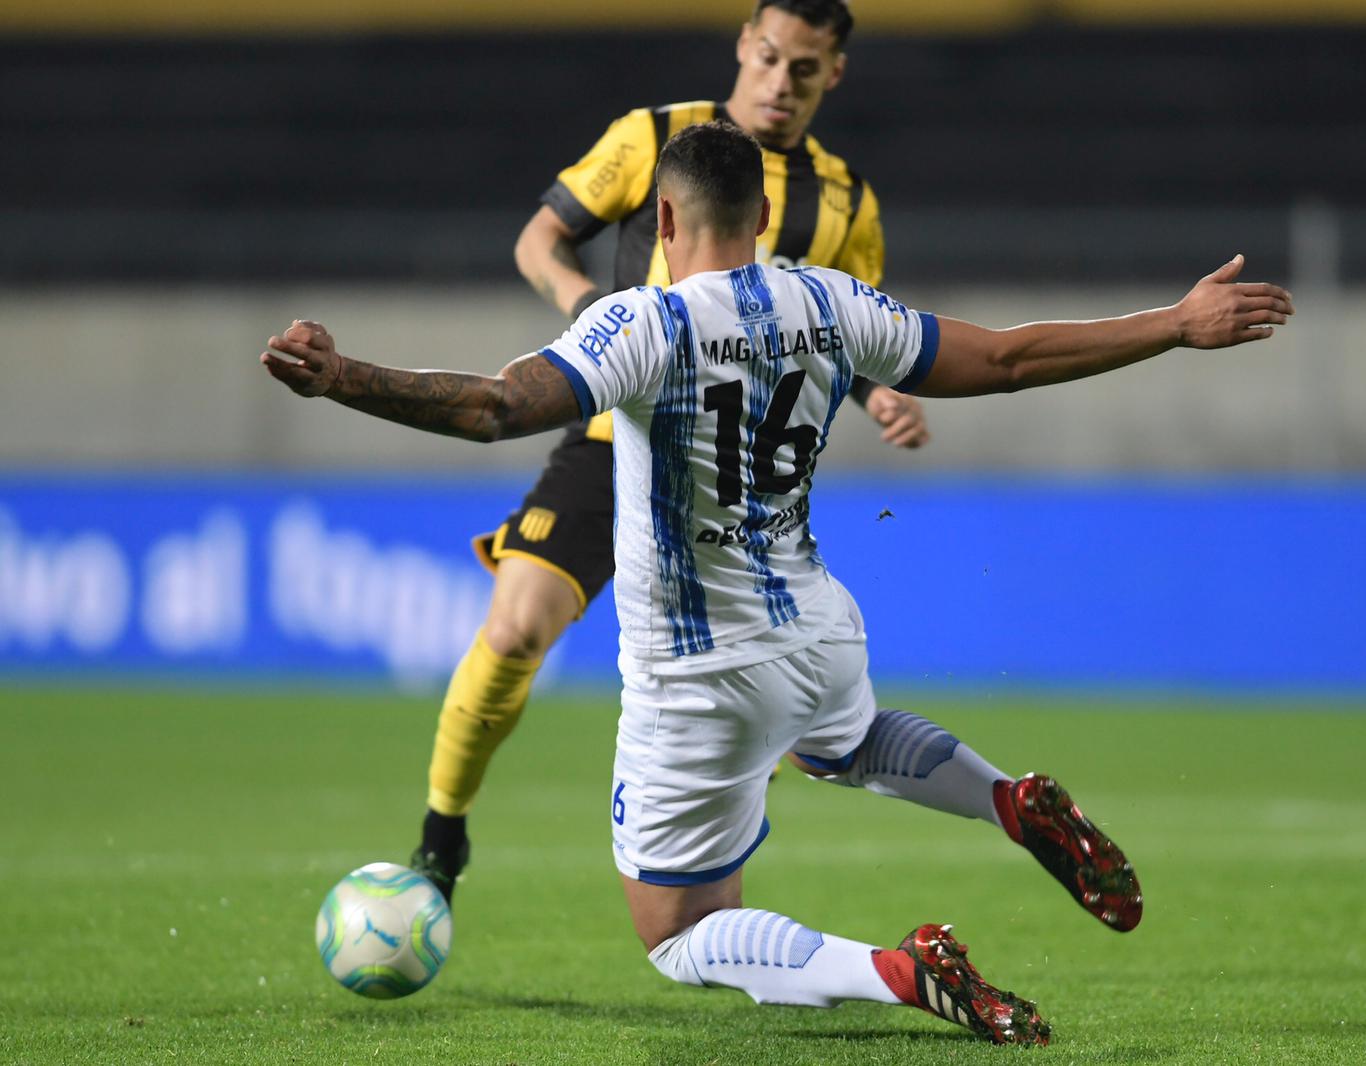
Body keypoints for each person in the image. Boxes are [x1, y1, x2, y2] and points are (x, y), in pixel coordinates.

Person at [261, 121, 1293, 1045]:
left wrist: (343, 376)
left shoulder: (644, 324)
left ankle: (895, 972)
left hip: (698, 671)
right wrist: (1173, 322)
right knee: (840, 742)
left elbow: (495, 408)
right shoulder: (829, 297)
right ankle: (1004, 799)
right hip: (819, 628)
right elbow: (1010, 360)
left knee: (677, 931)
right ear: (762, 215)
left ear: (661, 218)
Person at [415, 0, 929, 902]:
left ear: (832, 74)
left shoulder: (845, 203)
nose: (780, 81)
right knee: (512, 631)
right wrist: (589, 311)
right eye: (769, 57)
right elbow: (540, 238)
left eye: (803, 69)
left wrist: (879, 392)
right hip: (617, 438)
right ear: (744, 45)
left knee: (744, 694)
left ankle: (699, 889)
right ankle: (440, 832)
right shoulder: (657, 137)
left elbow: (846, 334)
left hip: (725, 477)